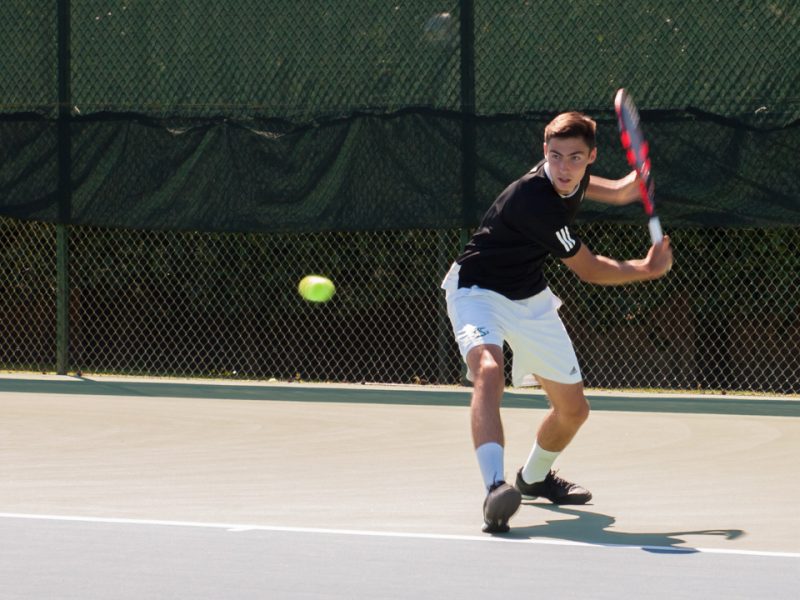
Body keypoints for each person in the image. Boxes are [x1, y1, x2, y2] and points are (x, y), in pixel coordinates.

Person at [441, 112, 673, 533]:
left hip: (529, 298)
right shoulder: (536, 201)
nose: (564, 168)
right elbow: (589, 269)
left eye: (575, 157)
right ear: (543, 152)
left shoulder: (572, 175)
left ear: (591, 157)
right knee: (487, 372)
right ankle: (495, 490)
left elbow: (606, 190)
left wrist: (626, 188)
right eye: (555, 156)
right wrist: (645, 268)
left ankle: (532, 478)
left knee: (573, 411)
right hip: (477, 291)